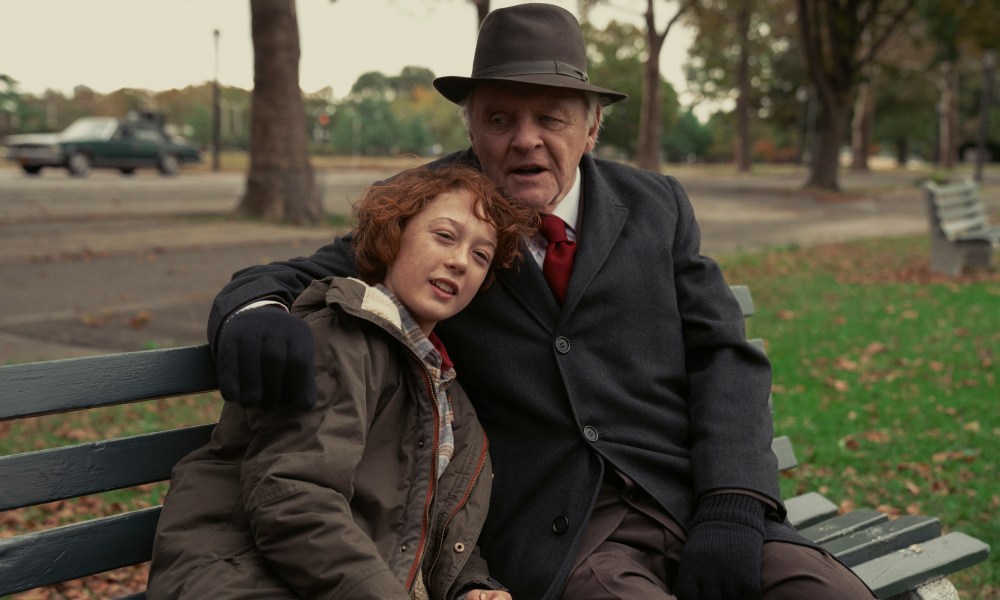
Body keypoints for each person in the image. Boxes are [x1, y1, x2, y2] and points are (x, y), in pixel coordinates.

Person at [204, 4, 877, 600]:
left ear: (589, 131)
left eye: (549, 118)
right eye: (500, 118)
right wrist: (255, 312)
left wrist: (731, 504)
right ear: (473, 128)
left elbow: (723, 355)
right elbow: (297, 273)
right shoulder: (434, 213)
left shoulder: (657, 206)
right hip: (563, 538)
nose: (525, 138)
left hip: (690, 503)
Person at [148, 164, 536, 600]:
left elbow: (427, 525)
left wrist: (471, 587)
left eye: (481, 255)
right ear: (393, 236)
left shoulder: (447, 393)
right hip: (241, 578)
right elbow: (294, 503)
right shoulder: (342, 338)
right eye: (444, 236)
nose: (460, 261)